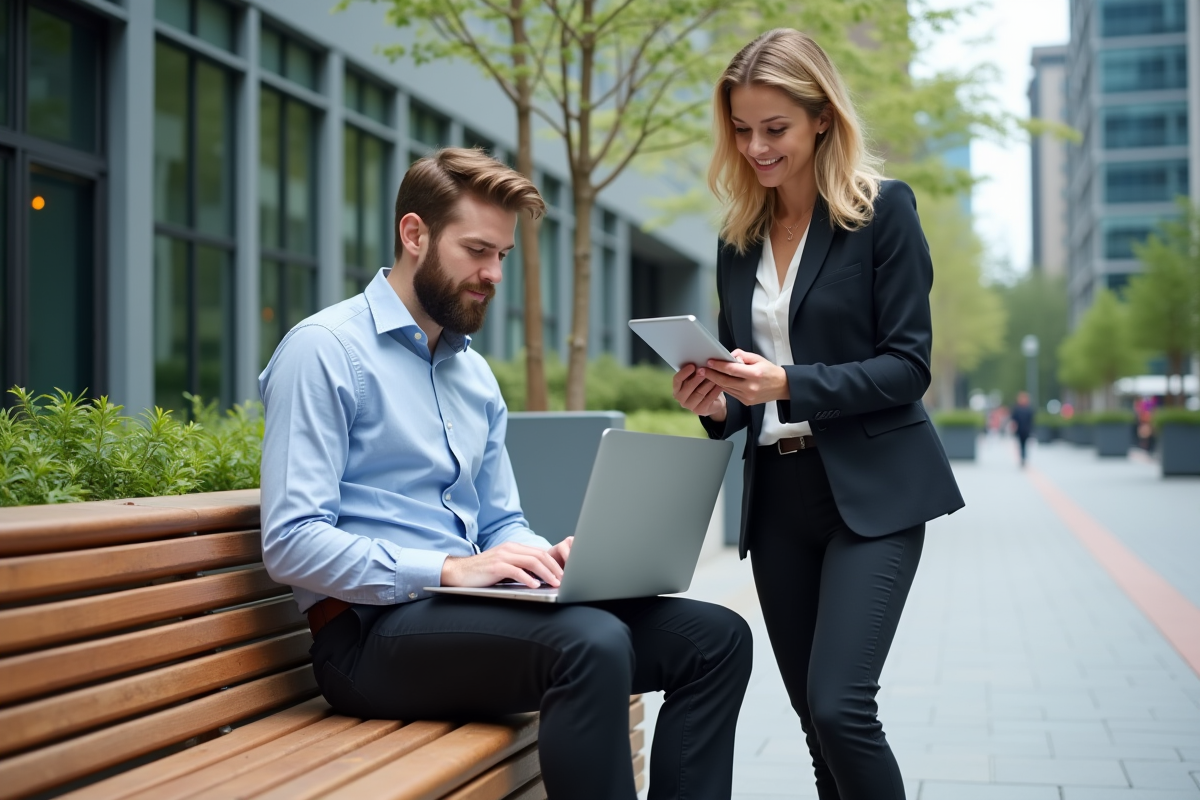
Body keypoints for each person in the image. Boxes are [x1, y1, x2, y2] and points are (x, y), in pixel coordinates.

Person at [258, 148, 752, 800]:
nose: (493, 274)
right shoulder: (324, 351)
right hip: (366, 640)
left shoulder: (473, 375)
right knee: (592, 644)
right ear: (414, 234)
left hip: (464, 616)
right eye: (476, 251)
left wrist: (540, 560)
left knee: (716, 639)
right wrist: (445, 570)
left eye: (502, 257)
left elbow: (499, 520)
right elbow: (290, 541)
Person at [671, 30, 965, 800]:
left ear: (822, 118)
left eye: (776, 129)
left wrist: (789, 384)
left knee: (841, 708)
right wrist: (715, 403)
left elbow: (908, 367)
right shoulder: (737, 244)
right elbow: (747, 388)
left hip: (873, 495)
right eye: (742, 129)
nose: (756, 146)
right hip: (778, 502)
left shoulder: (882, 212)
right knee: (810, 717)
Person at [1010, 391, 1034, 466]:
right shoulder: (1017, 408)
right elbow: (1014, 420)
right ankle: (1022, 458)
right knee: (1021, 444)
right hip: (1020, 430)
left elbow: (1031, 420)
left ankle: (1024, 457)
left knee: (1025, 444)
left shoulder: (1028, 409)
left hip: (1026, 430)